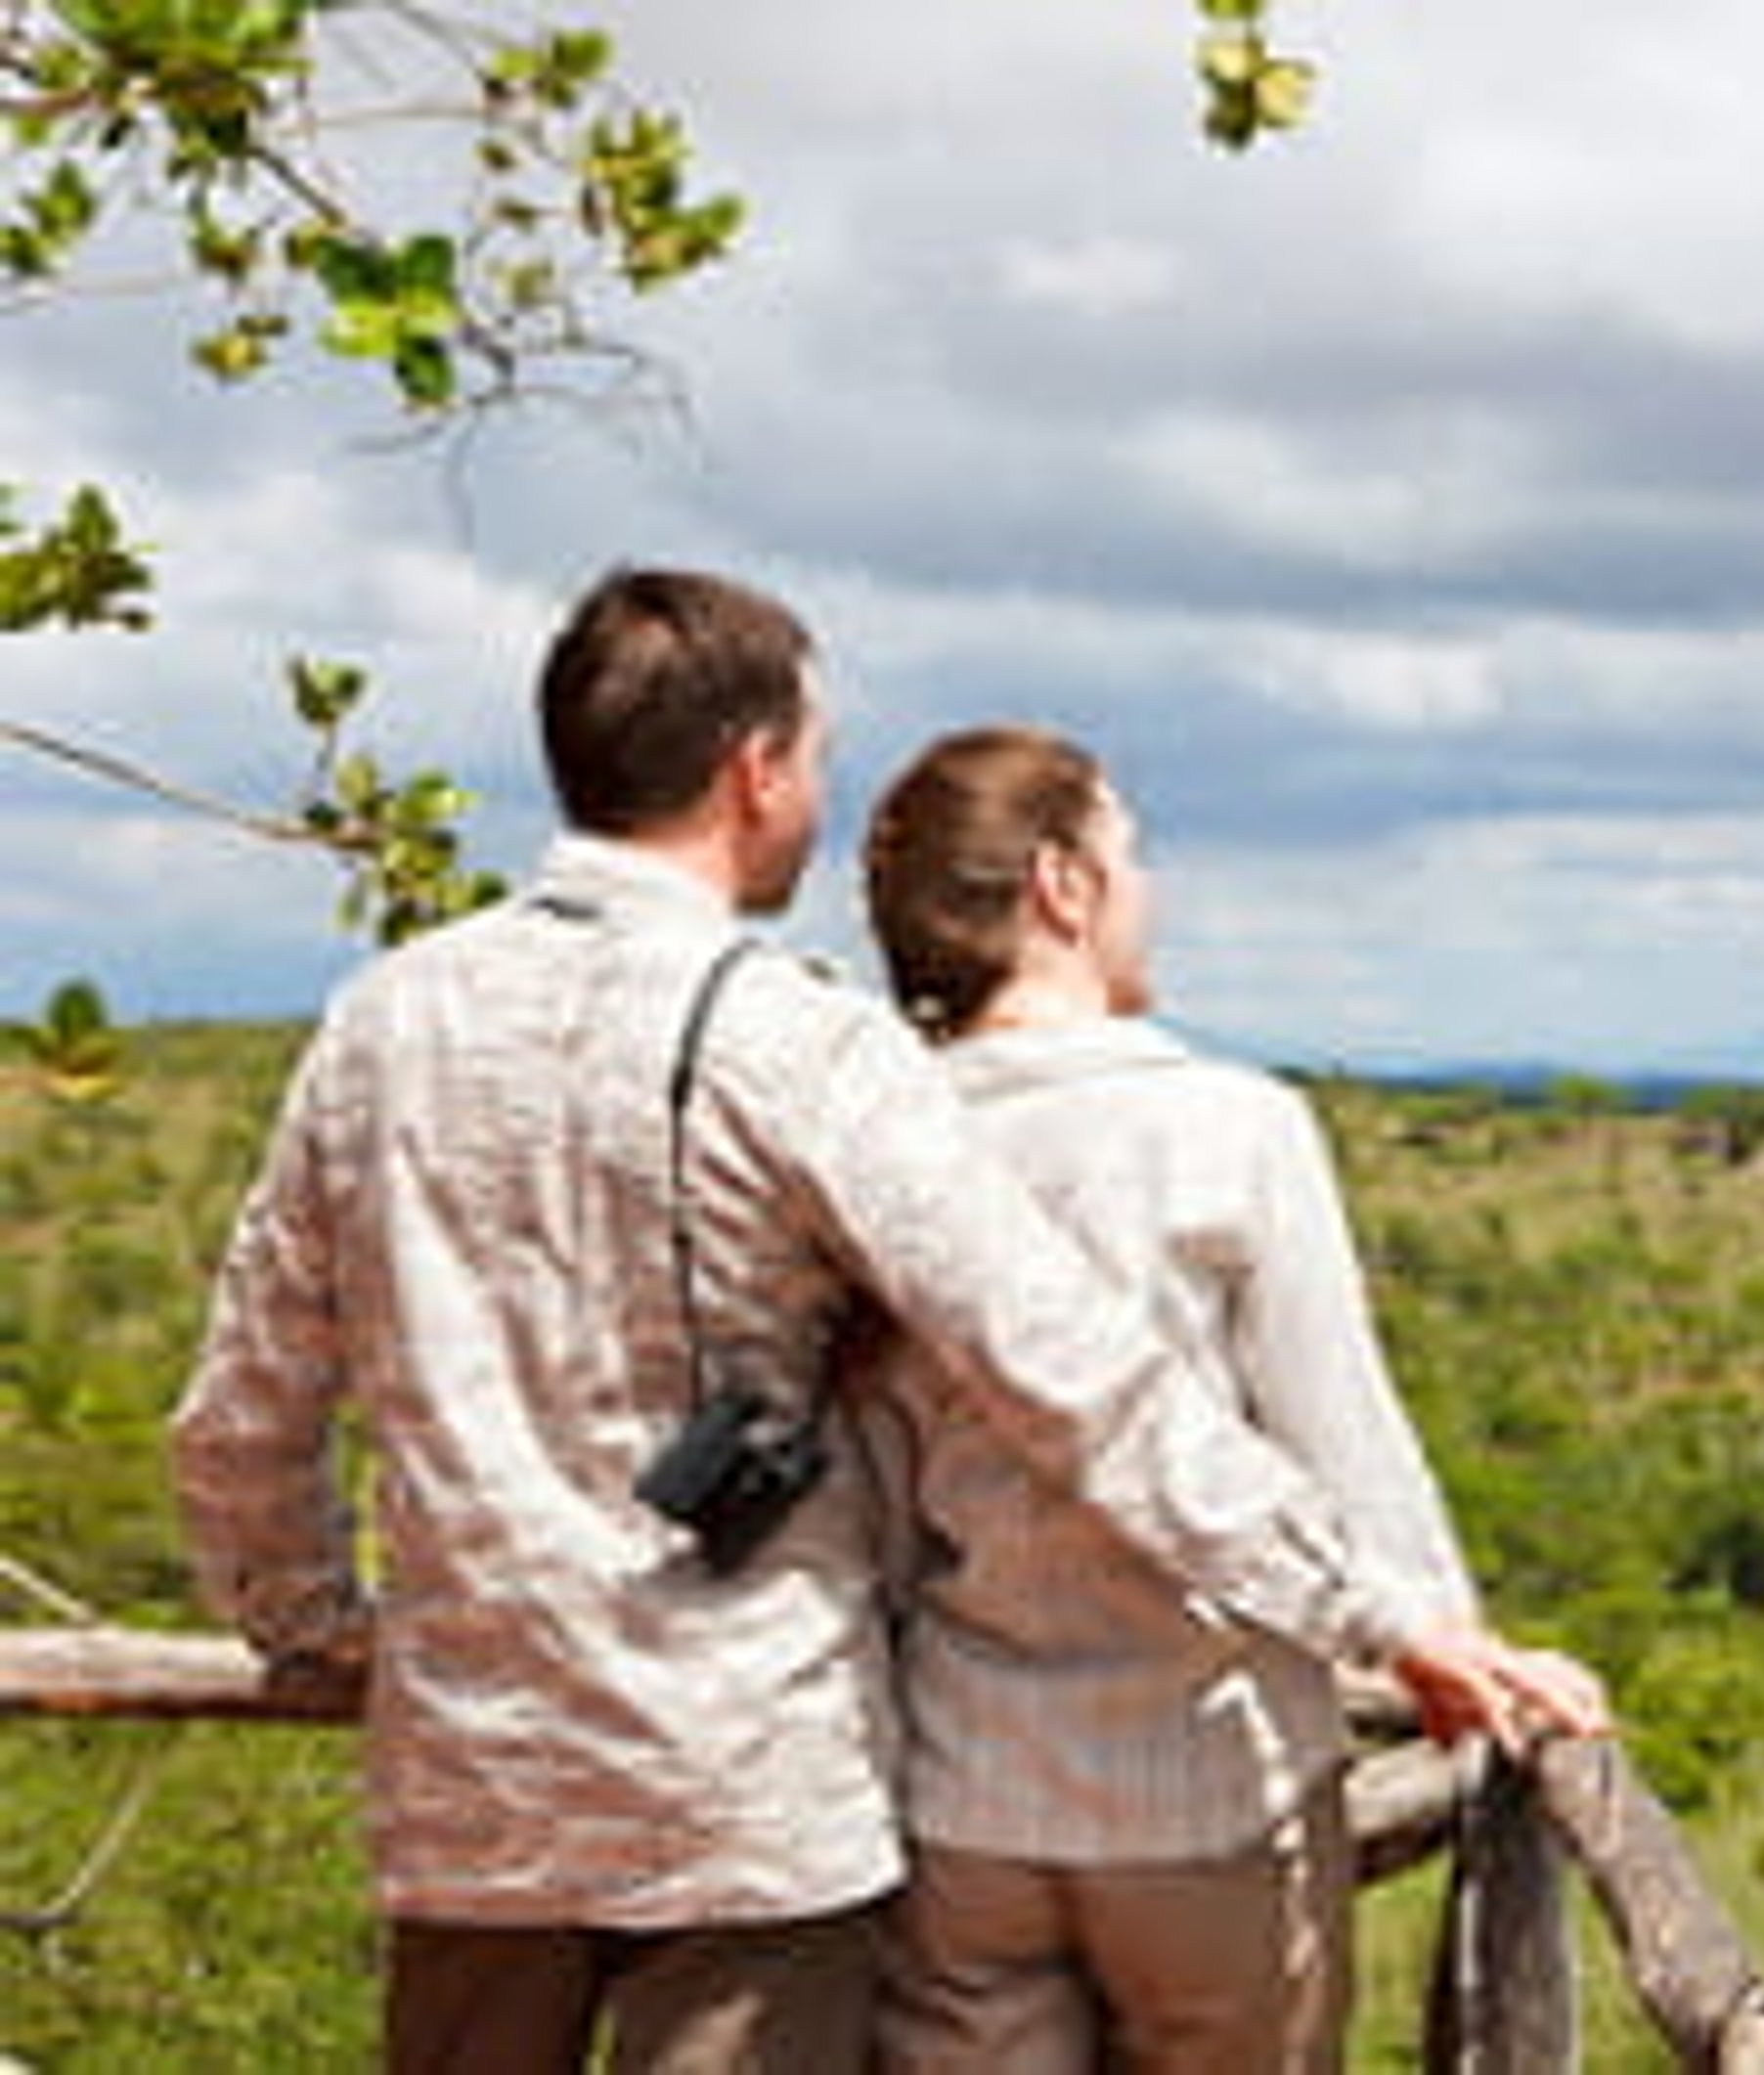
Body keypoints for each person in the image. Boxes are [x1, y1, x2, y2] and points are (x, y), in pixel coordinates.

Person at [169, 568, 1601, 2074]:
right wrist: (1383, 1612)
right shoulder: (799, 1039)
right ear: (756, 768)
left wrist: (335, 1636)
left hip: (474, 1778)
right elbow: (1079, 1379)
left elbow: (243, 1418)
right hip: (747, 1786)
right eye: (814, 757)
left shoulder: (383, 1018)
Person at [854, 725, 1602, 2072]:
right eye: (1129, 854)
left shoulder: (876, 1141)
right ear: (1061, 887)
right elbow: (1345, 1444)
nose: (1147, 890)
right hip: (1205, 1789)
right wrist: (1446, 1641)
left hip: (958, 1790)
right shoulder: (1227, 1124)